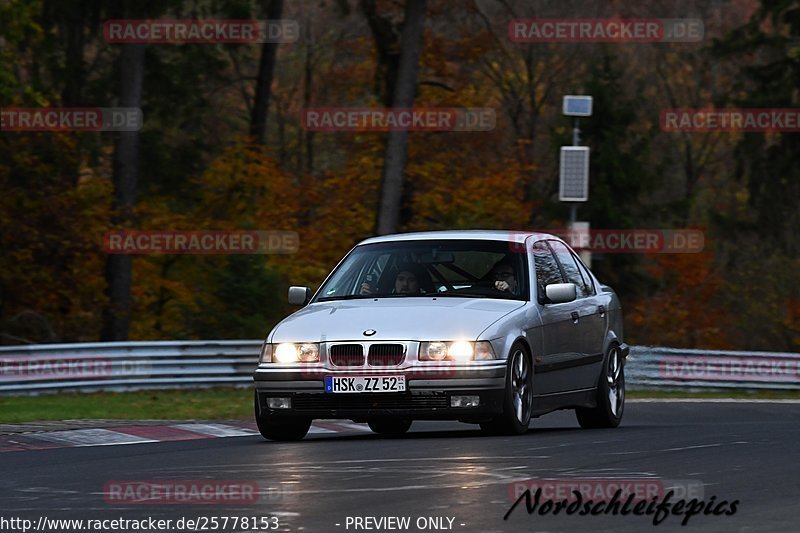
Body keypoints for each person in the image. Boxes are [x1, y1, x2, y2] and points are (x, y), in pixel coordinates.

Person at [360, 263, 427, 295]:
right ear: (394, 281)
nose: (405, 284)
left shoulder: (427, 304)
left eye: (411, 280)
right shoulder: (382, 303)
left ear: (419, 283)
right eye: (401, 279)